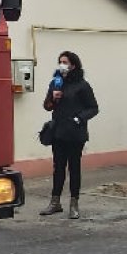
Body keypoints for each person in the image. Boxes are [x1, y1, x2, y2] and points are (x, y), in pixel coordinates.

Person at [39, 51, 99, 219]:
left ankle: (74, 203)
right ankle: (55, 202)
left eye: (65, 62)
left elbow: (93, 108)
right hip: (58, 132)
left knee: (74, 168)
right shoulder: (56, 82)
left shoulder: (82, 85)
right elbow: (47, 106)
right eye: (60, 61)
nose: (62, 65)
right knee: (58, 168)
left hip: (75, 133)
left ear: (73, 65)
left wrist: (79, 118)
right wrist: (53, 97)